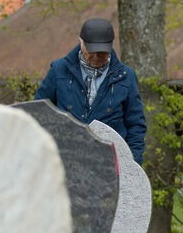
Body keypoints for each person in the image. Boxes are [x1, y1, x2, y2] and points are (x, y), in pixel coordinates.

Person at [35, 17, 147, 164]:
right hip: (64, 159)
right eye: (91, 51)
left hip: (109, 163)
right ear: (81, 42)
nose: (95, 57)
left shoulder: (126, 77)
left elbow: (136, 126)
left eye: (101, 52)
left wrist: (132, 165)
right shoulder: (59, 70)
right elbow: (38, 112)